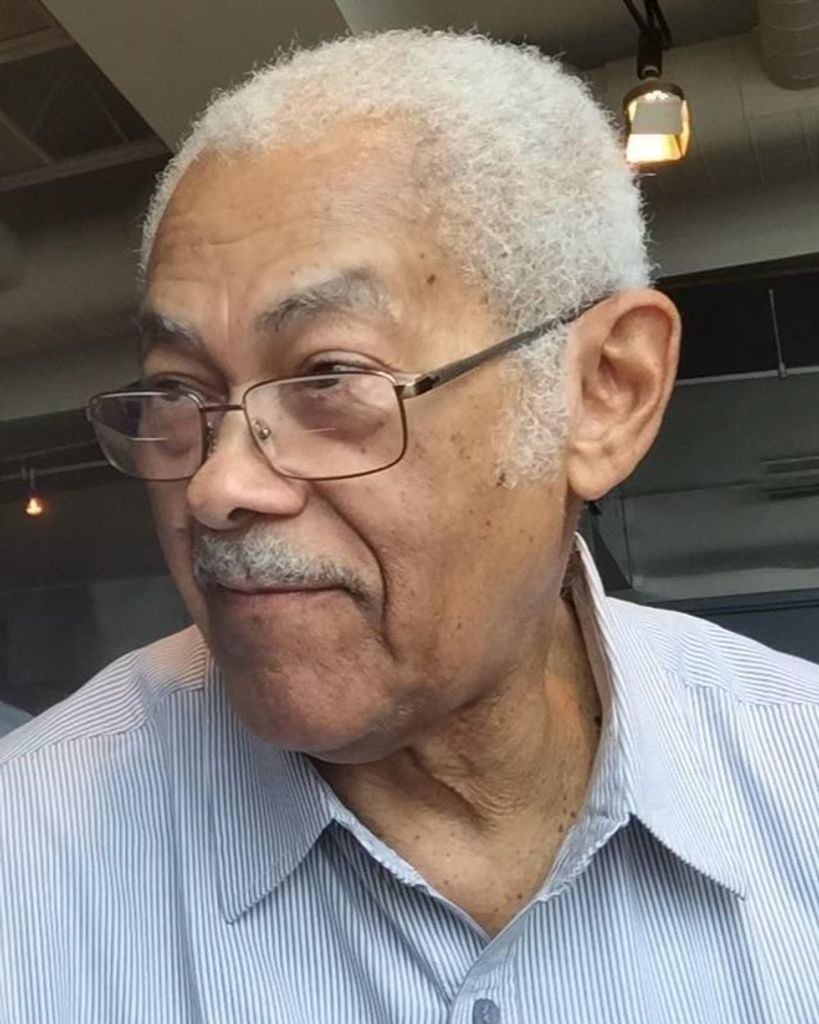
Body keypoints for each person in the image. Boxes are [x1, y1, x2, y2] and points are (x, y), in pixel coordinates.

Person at [1, 29, 817, 1024]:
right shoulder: (29, 862)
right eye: (178, 391)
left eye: (329, 378)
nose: (216, 486)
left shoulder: (798, 777)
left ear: (604, 393)